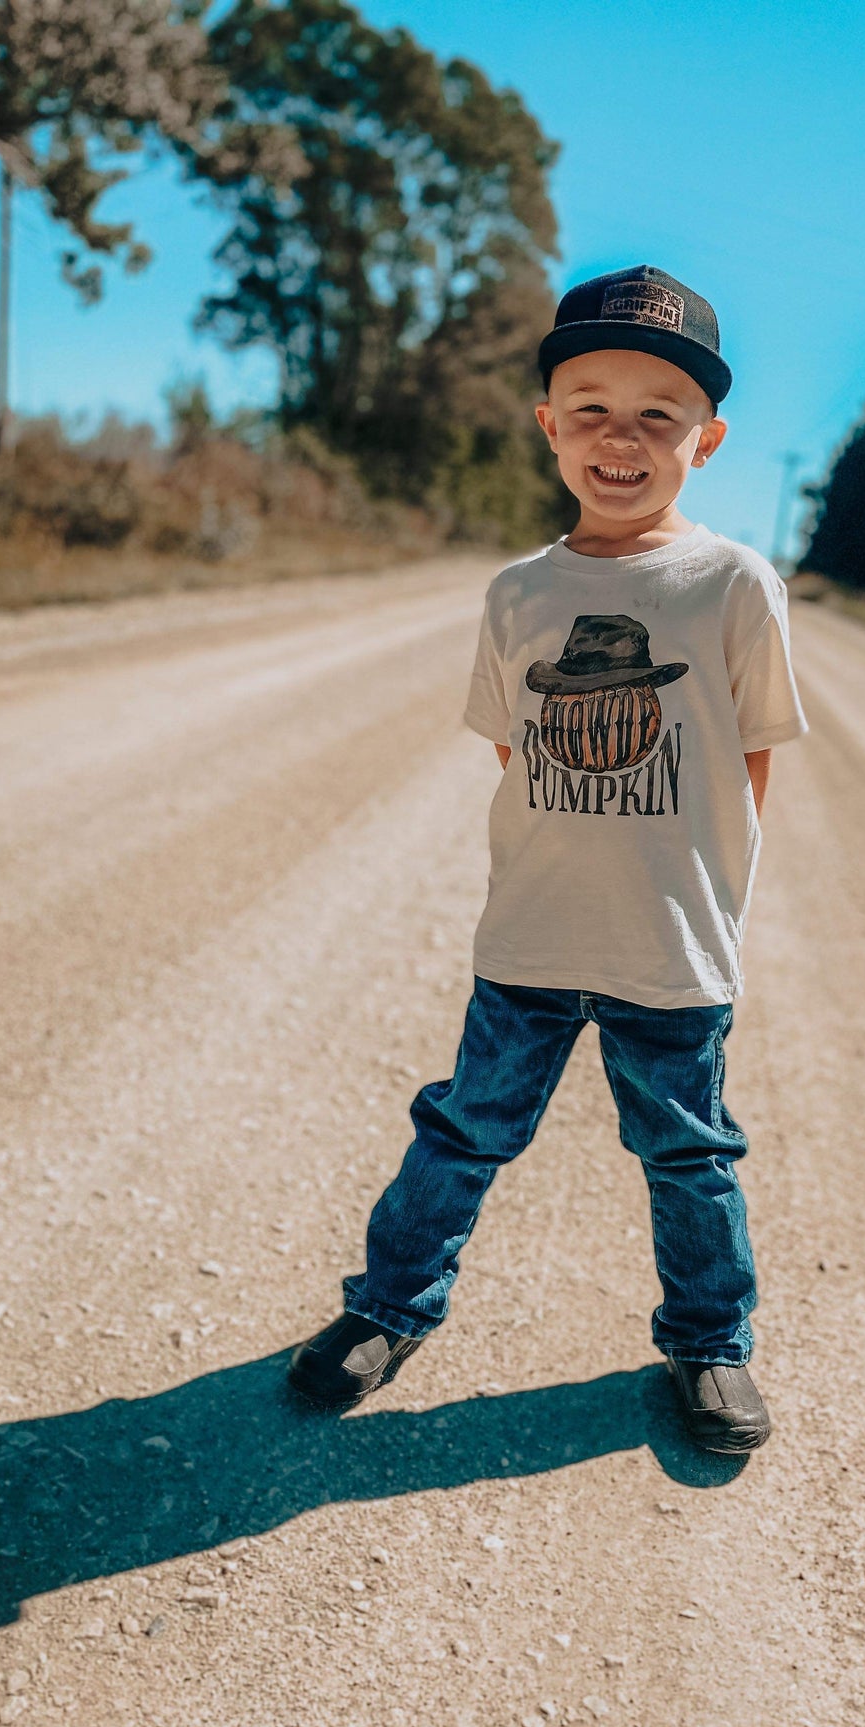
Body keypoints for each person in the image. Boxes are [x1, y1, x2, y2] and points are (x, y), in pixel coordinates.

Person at [288, 265, 807, 1453]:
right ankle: (386, 1309)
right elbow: (517, 757)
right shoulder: (518, 591)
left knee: (688, 1157)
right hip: (527, 939)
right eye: (590, 407)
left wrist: (714, 900)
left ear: (706, 440)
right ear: (548, 425)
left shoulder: (731, 584)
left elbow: (751, 763)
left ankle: (710, 1344)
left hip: (669, 948)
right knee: (462, 1131)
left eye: (656, 415)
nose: (619, 437)